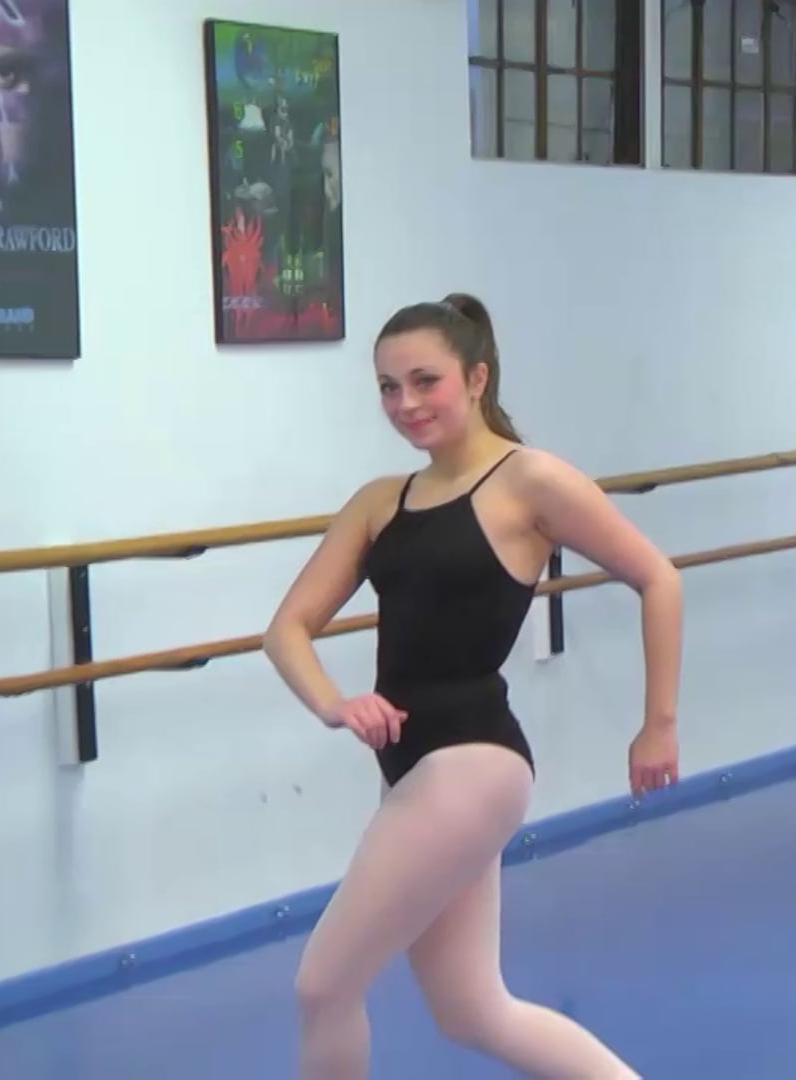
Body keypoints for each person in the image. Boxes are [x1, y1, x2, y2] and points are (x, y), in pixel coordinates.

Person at [262, 292, 683, 1079]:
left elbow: (659, 578)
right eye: (389, 387)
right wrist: (334, 703)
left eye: (426, 381)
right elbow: (288, 627)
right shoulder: (381, 501)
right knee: (471, 1009)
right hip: (408, 766)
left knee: (323, 986)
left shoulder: (529, 481)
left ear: (477, 377)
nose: (406, 403)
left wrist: (657, 723)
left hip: (473, 760)